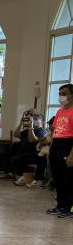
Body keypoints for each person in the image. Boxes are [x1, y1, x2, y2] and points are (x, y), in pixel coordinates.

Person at [47, 83, 73, 218]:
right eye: (59, 93)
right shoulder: (60, 111)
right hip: (56, 144)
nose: (61, 96)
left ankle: (69, 208)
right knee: (57, 177)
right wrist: (51, 149)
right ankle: (61, 205)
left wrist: (71, 155)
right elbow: (55, 131)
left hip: (68, 144)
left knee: (68, 178)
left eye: (64, 93)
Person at [6, 111, 47, 186]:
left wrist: (31, 126)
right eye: (33, 118)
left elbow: (32, 140)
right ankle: (17, 175)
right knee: (7, 155)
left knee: (16, 159)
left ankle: (22, 177)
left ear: (41, 121)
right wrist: (20, 123)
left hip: (33, 154)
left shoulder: (42, 131)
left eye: (36, 119)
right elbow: (16, 134)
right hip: (23, 153)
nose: (33, 120)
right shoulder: (28, 130)